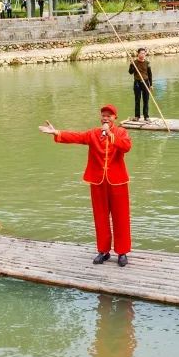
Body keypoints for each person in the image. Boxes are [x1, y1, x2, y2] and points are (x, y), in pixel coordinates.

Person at [39, 104, 133, 267]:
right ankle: (103, 251)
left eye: (109, 116)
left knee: (121, 217)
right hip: (97, 181)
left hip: (117, 181)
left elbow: (126, 147)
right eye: (103, 115)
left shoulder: (121, 132)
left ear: (114, 118)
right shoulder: (93, 134)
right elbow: (76, 137)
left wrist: (111, 135)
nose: (105, 118)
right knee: (100, 217)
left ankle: (122, 252)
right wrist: (57, 132)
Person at [128, 48, 153, 122]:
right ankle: (137, 116)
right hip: (137, 83)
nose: (143, 54)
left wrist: (151, 85)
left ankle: (146, 116)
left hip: (145, 82)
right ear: (138, 54)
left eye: (144, 53)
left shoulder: (147, 63)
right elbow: (130, 72)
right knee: (137, 100)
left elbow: (150, 75)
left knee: (146, 100)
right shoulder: (134, 63)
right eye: (141, 53)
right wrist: (132, 65)